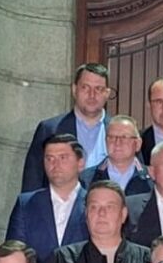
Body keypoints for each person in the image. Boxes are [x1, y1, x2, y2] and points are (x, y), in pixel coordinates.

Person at [21, 62, 110, 192]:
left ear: (107, 93)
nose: (92, 95)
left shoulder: (122, 133)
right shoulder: (49, 130)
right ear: (74, 90)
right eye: (85, 87)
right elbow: (33, 181)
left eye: (98, 89)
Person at [7, 134, 89, 263]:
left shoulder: (93, 203)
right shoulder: (26, 204)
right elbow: (14, 252)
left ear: (80, 163)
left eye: (63, 158)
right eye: (49, 159)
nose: (55, 165)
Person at [80, 115, 153, 196]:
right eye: (111, 137)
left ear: (138, 144)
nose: (117, 143)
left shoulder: (152, 178)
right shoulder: (87, 178)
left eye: (124, 137)